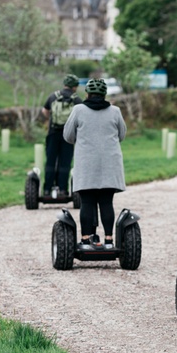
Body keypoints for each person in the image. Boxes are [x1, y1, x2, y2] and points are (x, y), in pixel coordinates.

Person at [63, 78, 126, 250]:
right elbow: (121, 135)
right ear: (105, 94)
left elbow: (68, 136)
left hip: (86, 163)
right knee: (106, 202)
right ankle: (108, 240)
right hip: (110, 163)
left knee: (87, 203)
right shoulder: (115, 111)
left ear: (87, 94)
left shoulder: (78, 110)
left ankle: (85, 240)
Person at [42, 74, 83, 197]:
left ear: (64, 84)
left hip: (53, 133)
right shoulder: (76, 99)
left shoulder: (53, 96)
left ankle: (47, 190)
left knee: (50, 161)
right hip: (69, 136)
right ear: (75, 86)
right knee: (65, 162)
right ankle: (63, 190)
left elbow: (45, 111)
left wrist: (52, 119)